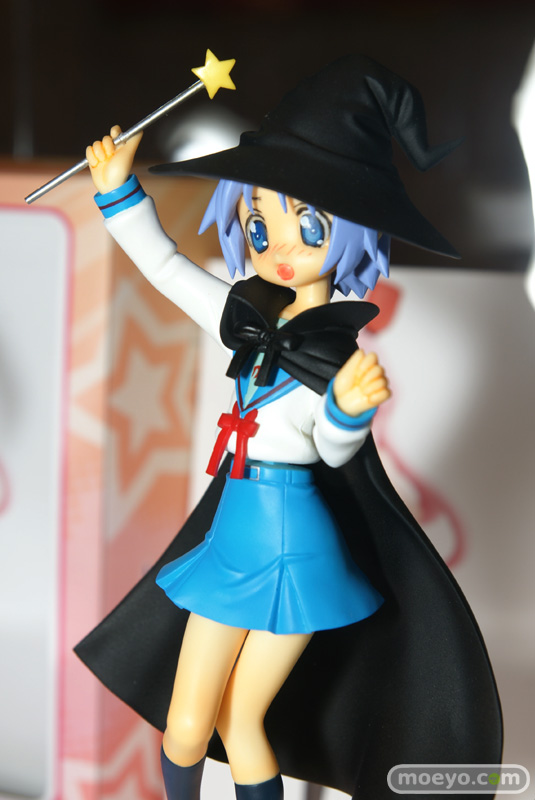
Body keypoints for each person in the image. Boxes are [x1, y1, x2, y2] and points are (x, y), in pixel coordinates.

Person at [76, 56, 502, 800]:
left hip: (296, 548)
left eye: (306, 226)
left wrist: (346, 411)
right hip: (232, 536)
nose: (278, 248)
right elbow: (169, 269)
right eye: (258, 223)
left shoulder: (336, 356)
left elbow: (335, 451)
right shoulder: (247, 318)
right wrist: (117, 192)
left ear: (352, 235)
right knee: (185, 725)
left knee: (243, 722)